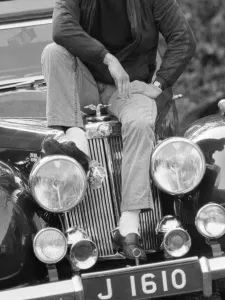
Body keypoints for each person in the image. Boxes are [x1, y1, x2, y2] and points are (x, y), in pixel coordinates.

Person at [41, 0, 197, 261]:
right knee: (53, 52)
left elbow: (183, 39)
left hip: (128, 85)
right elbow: (61, 28)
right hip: (83, 82)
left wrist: (158, 84)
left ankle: (129, 225)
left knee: (140, 122)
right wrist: (107, 58)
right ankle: (76, 141)